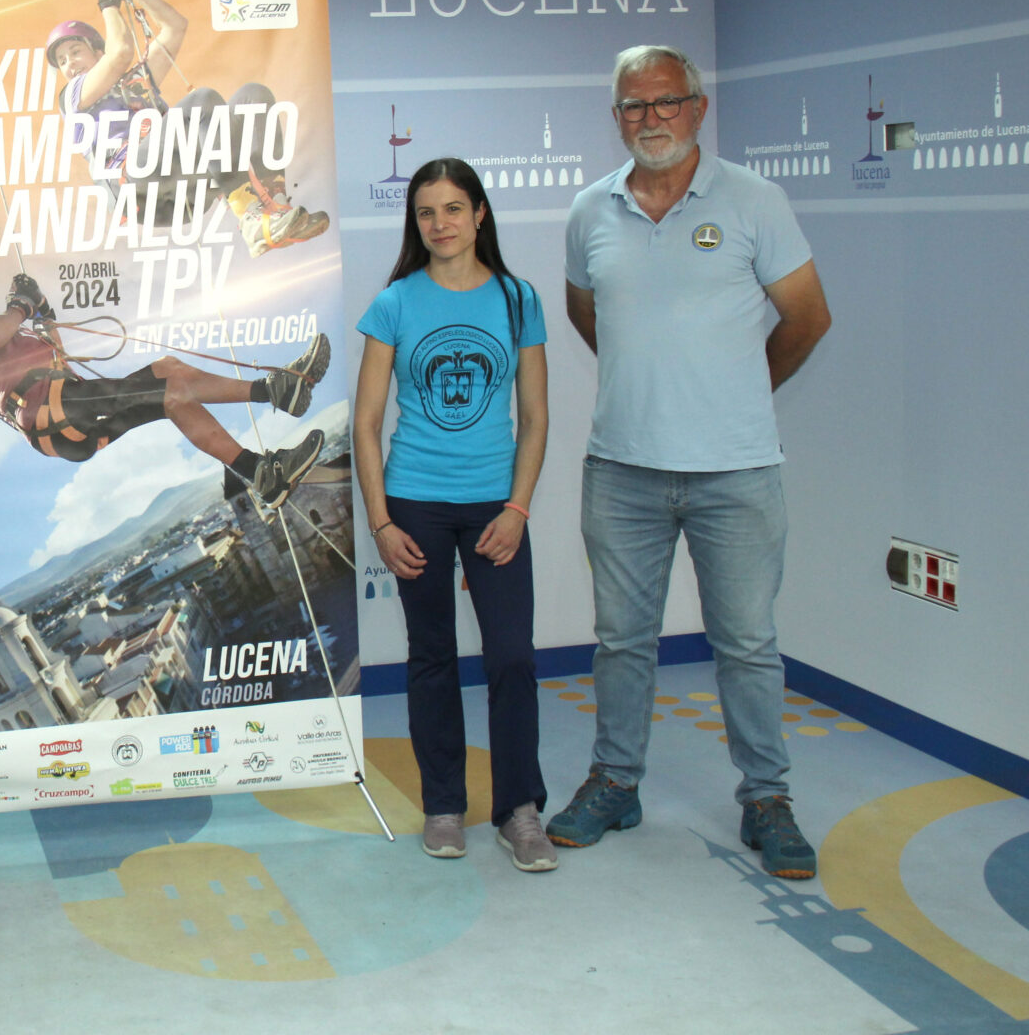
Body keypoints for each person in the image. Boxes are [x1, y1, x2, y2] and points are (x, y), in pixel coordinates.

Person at [549, 45, 832, 879]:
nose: (651, 120)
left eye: (666, 102)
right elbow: (585, 312)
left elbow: (808, 319)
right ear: (616, 119)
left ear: (698, 108)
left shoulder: (755, 201)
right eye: (633, 108)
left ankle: (768, 800)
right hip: (623, 471)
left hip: (736, 472)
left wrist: (740, 389)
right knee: (621, 642)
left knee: (745, 643)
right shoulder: (589, 211)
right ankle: (614, 783)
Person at [353, 158, 554, 873]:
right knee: (432, 657)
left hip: (497, 506)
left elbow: (535, 418)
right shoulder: (395, 303)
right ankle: (444, 805)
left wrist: (518, 507)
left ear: (480, 215)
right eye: (426, 213)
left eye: (452, 209)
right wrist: (381, 521)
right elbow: (367, 423)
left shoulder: (517, 299)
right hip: (416, 504)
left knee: (512, 657)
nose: (439, 224)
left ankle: (519, 810)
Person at [0, 251, 329, 506]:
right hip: (58, 412)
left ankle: (261, 471)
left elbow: (54, 353)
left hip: (66, 413)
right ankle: (278, 392)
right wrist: (19, 306)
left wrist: (42, 313)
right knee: (169, 383)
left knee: (171, 386)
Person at [47, 0, 327, 256]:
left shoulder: (133, 83)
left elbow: (176, 26)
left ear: (96, 53)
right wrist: (107, 1)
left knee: (254, 96)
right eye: (62, 60)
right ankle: (249, 214)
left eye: (75, 51)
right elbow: (121, 51)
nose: (69, 63)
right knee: (204, 99)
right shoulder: (73, 97)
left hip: (183, 189)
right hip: (135, 185)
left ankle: (274, 211)